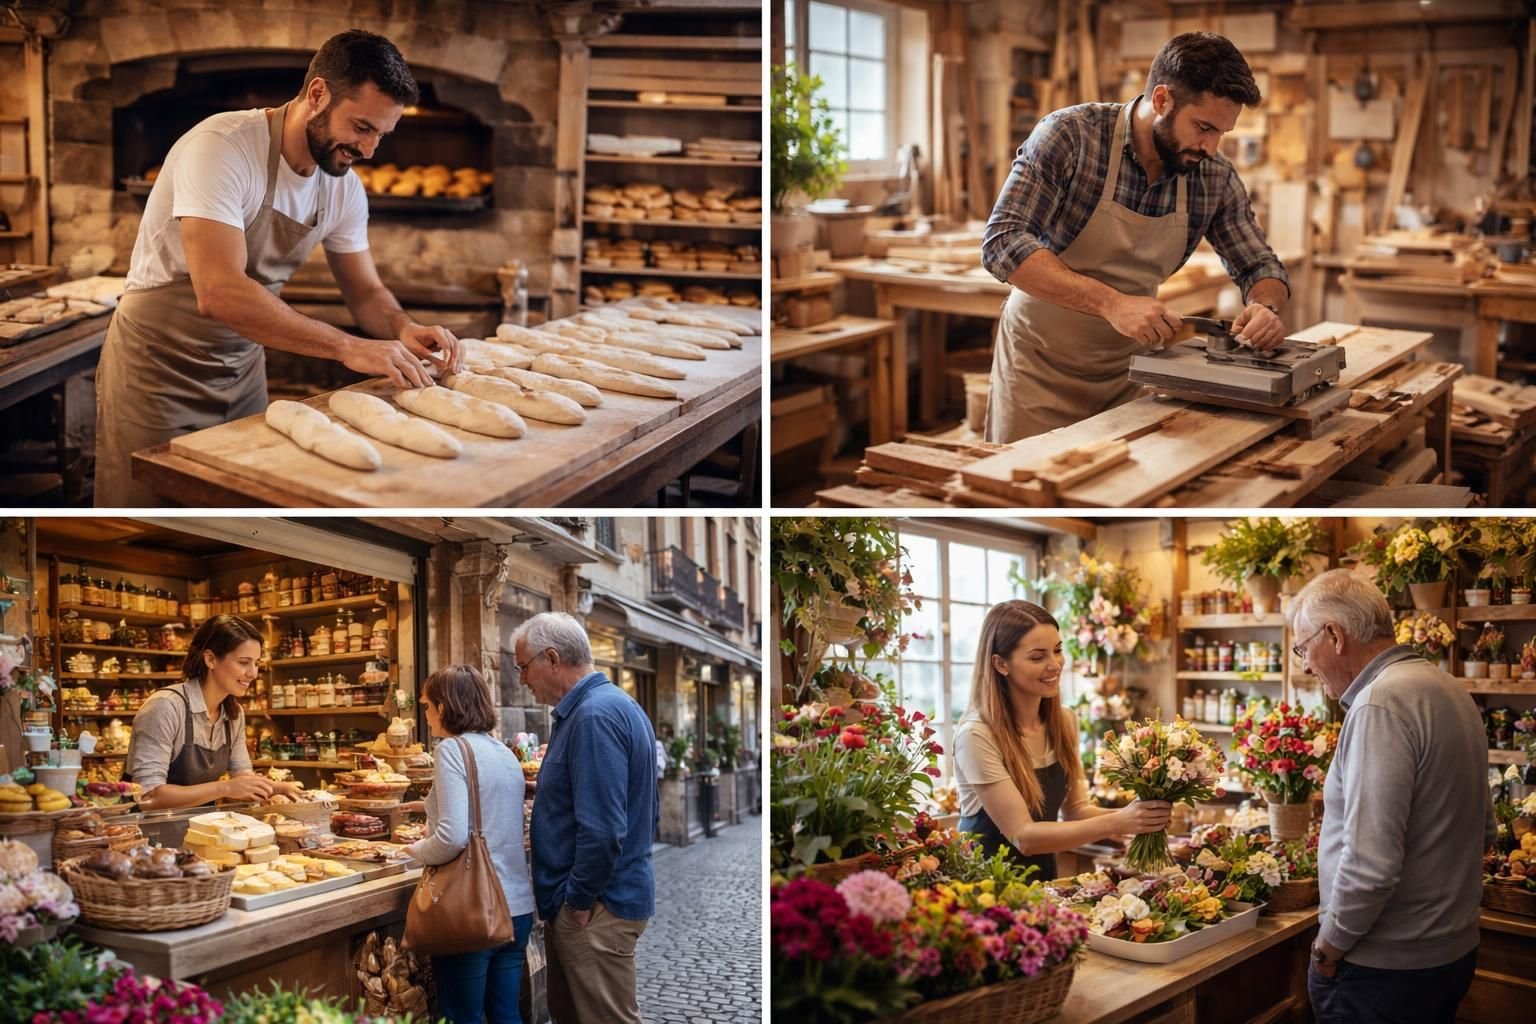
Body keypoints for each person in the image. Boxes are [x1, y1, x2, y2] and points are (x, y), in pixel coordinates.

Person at [94, 29, 464, 506]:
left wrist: (403, 326)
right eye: (361, 128)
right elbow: (220, 291)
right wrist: (348, 347)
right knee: (149, 509)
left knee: (235, 508)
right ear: (317, 94)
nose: (369, 150)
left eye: (381, 136)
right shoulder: (222, 148)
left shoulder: (341, 187)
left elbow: (367, 294)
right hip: (156, 371)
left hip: (244, 370)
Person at [982, 31, 1291, 443]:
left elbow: (1259, 265)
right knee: (1025, 500)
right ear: (1162, 100)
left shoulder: (1212, 177)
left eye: (1221, 133)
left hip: (1131, 375)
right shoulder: (1071, 136)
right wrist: (1111, 303)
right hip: (1038, 367)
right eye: (1202, 127)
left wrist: (1265, 306)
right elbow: (1002, 241)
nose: (1210, 147)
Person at [1290, 569, 1493, 1023]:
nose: (1304, 664)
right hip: (1451, 952)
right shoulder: (1452, 691)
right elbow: (1485, 831)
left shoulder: (1379, 704)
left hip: (1384, 969)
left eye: (1304, 647)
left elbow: (1370, 866)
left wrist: (1328, 948)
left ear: (1335, 635)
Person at [953, 600, 1172, 880]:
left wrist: (1141, 817)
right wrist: (1118, 821)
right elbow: (1024, 836)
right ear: (1000, 663)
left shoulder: (1064, 721)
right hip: (985, 892)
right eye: (1037, 657)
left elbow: (1076, 811)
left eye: (1057, 650)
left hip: (1045, 885)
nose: (1054, 664)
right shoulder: (977, 734)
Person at [515, 612, 657, 1024]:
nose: (523, 679)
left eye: (524, 667)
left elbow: (604, 829)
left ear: (553, 658)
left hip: (597, 908)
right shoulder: (607, 706)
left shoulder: (594, 716)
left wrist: (577, 902)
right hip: (601, 902)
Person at [405, 665, 535, 1024]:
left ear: (444, 708)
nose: (426, 715)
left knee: (463, 1017)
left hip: (473, 909)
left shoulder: (451, 749)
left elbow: (452, 837)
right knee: (506, 1014)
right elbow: (491, 814)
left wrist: (412, 851)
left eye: (428, 706)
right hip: (517, 907)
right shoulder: (504, 752)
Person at [125, 614, 303, 810]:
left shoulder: (233, 712)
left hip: (199, 829)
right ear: (210, 659)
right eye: (244, 662)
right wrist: (225, 787)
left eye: (256, 663)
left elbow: (242, 776)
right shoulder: (166, 706)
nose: (253, 673)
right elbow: (148, 797)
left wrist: (278, 788)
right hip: (145, 833)